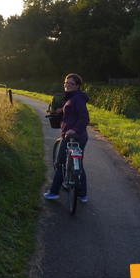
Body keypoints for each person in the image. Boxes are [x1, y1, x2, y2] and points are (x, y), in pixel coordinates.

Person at [44, 73, 90, 202]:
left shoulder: (77, 99)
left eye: (71, 83)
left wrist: (73, 129)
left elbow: (84, 117)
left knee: (60, 163)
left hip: (71, 135)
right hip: (80, 137)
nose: (67, 85)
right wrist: (61, 110)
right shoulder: (73, 98)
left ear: (78, 86)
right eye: (66, 82)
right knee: (79, 165)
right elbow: (72, 111)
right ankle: (82, 195)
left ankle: (54, 192)